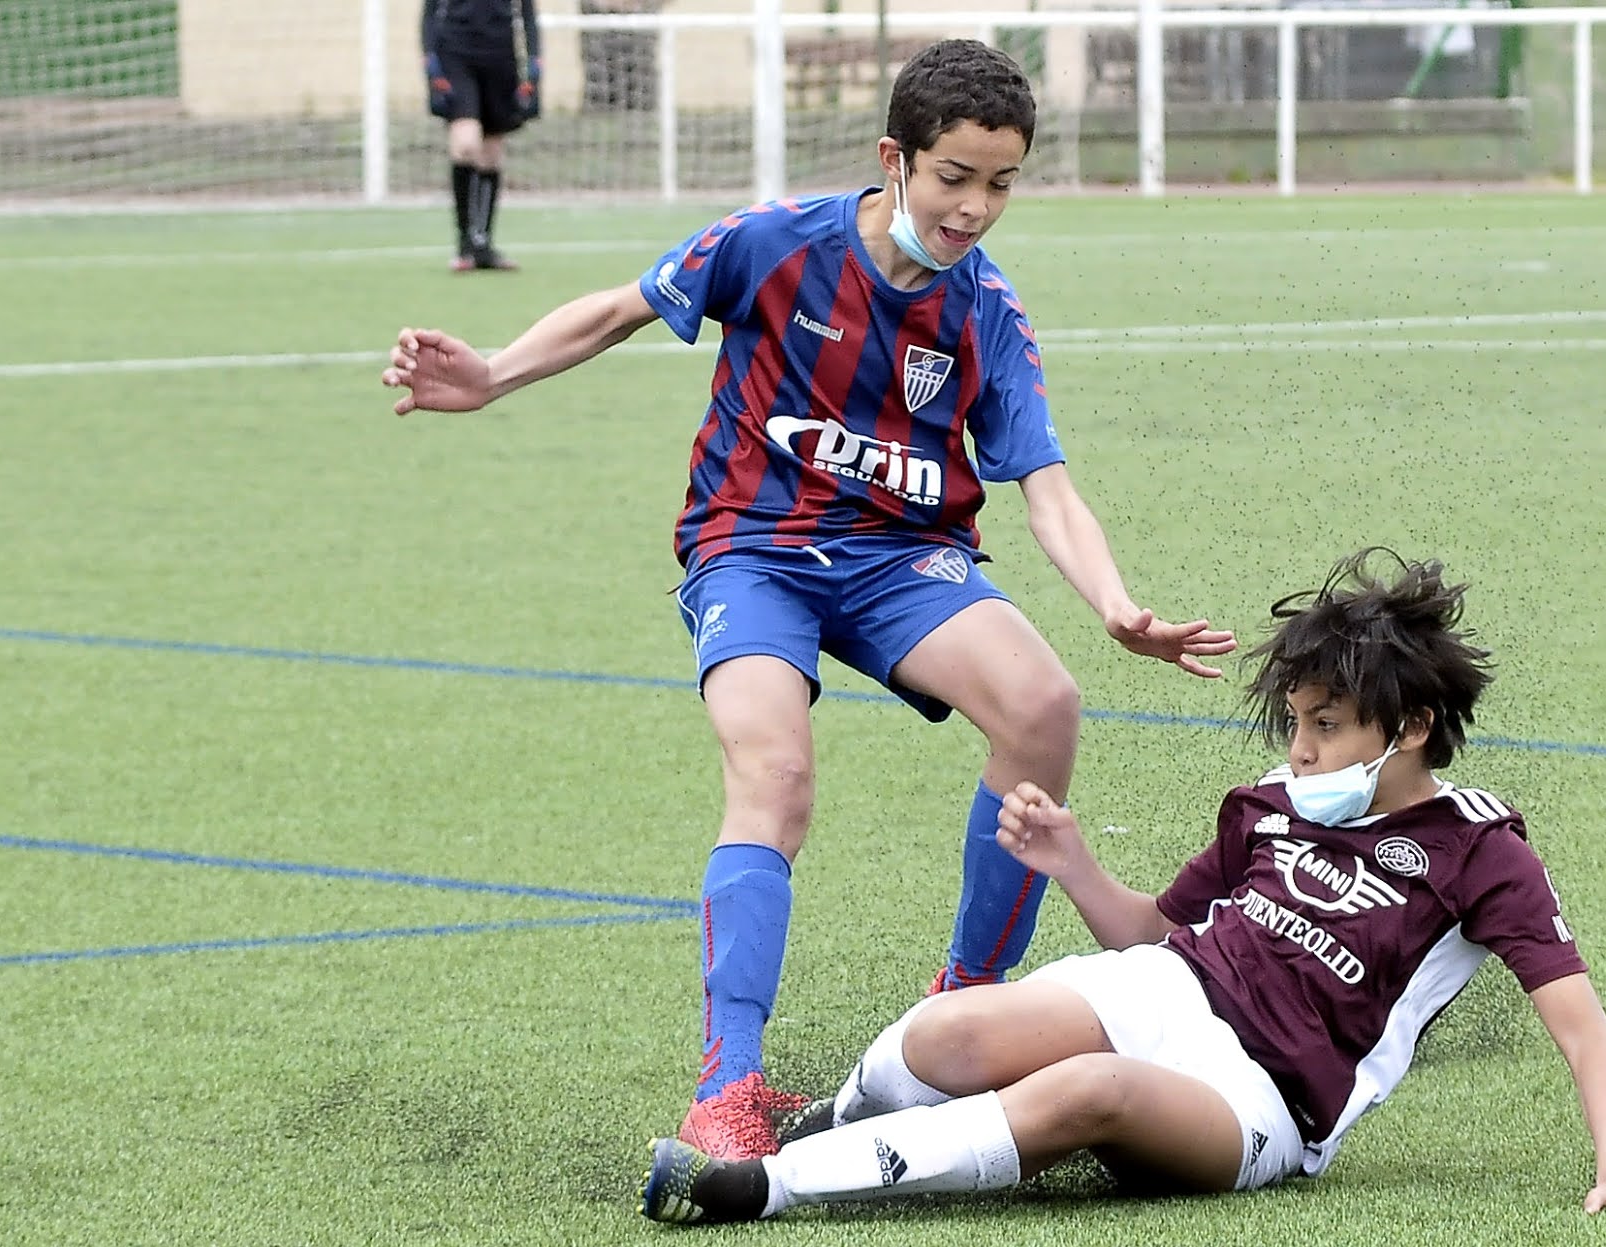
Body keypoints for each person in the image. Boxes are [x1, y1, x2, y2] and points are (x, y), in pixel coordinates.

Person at [382, 38, 1235, 1161]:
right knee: (774, 778)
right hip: (752, 547)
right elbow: (620, 309)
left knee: (1044, 706)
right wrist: (493, 373)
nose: (974, 209)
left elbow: (1048, 488)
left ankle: (961, 1019)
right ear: (894, 159)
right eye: (953, 177)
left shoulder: (986, 311)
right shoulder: (773, 243)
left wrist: (1116, 605)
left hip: (898, 557)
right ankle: (727, 1086)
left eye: (1001, 184)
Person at [640, 550, 1606, 1223]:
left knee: (1091, 1089)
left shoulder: (1481, 850)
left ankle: (765, 1188)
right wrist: (1073, 863)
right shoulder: (1266, 802)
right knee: (945, 1033)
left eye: (1324, 725)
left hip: (1262, 1095)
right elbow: (1152, 929)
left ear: (1408, 728)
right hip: (1163, 986)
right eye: (1294, 722)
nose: (1298, 749)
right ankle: (830, 1120)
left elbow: (1585, 1031)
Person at [423, 0, 540, 271]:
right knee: (466, 144)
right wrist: (428, 57)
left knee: (491, 154)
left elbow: (528, 12)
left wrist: (535, 60)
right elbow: (429, 12)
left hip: (501, 56)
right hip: (455, 52)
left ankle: (482, 245)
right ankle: (465, 244)